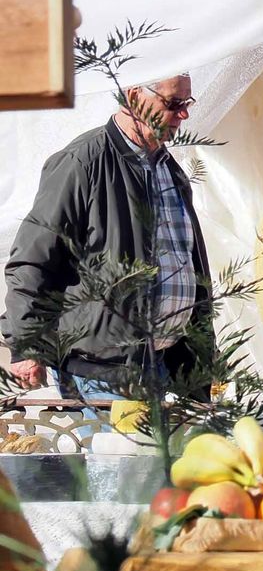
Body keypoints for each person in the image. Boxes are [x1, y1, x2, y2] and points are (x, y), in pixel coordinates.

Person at [3, 74, 211, 399]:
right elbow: (33, 259)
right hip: (100, 368)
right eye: (173, 103)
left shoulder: (170, 170)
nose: (183, 115)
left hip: (166, 364)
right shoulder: (82, 162)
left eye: (187, 103)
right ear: (133, 96)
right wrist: (27, 346)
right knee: (117, 453)